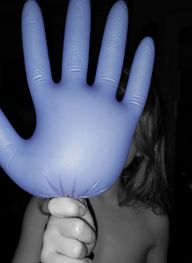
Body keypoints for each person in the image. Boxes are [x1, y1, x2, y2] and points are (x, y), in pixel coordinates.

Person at [11, 68, 171, 263]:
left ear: (144, 143)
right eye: (95, 121)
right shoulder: (48, 205)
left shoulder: (154, 221)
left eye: (120, 127)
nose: (103, 134)